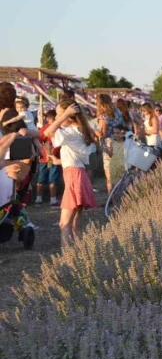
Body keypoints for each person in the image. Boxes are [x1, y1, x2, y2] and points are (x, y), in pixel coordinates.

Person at [44, 98, 97, 247]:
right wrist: (58, 161)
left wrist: (64, 115)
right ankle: (78, 253)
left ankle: (67, 257)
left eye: (58, 115)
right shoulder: (80, 130)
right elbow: (76, 158)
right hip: (79, 173)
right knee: (74, 223)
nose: (56, 118)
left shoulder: (69, 132)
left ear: (69, 116)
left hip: (74, 176)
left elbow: (48, 131)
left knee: (64, 223)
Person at [35, 110, 62, 206]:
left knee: (47, 179)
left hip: (52, 158)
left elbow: (38, 141)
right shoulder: (48, 129)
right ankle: (49, 199)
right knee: (48, 179)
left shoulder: (48, 128)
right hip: (48, 158)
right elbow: (39, 141)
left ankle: (43, 199)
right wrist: (44, 150)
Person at [95, 94, 115, 193]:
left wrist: (94, 131)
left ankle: (111, 197)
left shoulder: (103, 117)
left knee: (109, 174)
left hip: (107, 144)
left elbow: (103, 134)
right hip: (117, 142)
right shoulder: (115, 114)